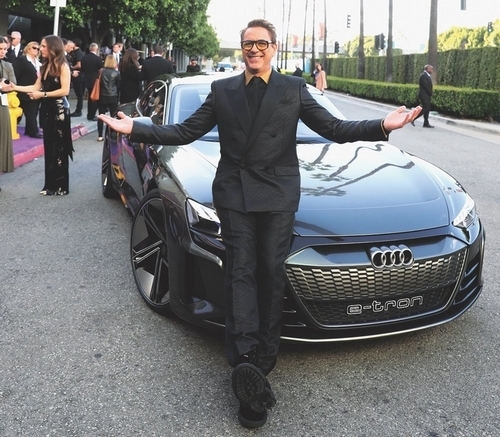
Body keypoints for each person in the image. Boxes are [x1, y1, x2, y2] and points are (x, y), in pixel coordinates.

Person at [98, 18, 421, 429]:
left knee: (270, 272)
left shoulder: (293, 89)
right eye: (248, 43)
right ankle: (245, 362)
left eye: (262, 43)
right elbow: (185, 130)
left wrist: (382, 125)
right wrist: (137, 127)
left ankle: (263, 361)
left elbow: (334, 128)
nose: (254, 49)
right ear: (242, 48)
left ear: (273, 47)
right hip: (234, 193)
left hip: (278, 196)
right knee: (240, 272)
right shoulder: (223, 90)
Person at [2, 35, 74, 196]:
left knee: (59, 147)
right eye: (40, 46)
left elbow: (64, 90)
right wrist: (14, 87)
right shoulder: (44, 66)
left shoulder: (63, 66)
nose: (40, 49)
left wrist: (42, 95)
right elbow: (35, 87)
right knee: (49, 146)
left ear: (53, 48)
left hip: (59, 110)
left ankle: (61, 186)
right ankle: (50, 185)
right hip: (47, 109)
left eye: (43, 46)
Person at [13, 41, 43, 138]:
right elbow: (15, 74)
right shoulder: (21, 60)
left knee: (34, 112)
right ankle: (33, 131)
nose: (36, 50)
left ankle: (29, 130)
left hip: (36, 90)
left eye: (38, 49)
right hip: (23, 90)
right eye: (34, 48)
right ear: (28, 48)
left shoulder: (38, 62)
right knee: (30, 112)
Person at [0, 35, 16, 174]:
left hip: (2, 104)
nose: (3, 52)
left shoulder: (7, 65)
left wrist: (5, 86)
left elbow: (13, 84)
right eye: (0, 49)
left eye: (5, 49)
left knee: (3, 136)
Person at [96, 55, 120, 141]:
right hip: (113, 96)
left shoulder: (101, 72)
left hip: (102, 96)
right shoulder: (116, 73)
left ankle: (100, 135)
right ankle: (112, 134)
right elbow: (118, 86)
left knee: (101, 115)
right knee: (113, 116)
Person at [81, 42, 103, 121]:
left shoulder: (84, 58)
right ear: (96, 49)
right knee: (94, 98)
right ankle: (92, 114)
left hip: (86, 79)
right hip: (95, 80)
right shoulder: (98, 59)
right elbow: (101, 70)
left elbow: (82, 69)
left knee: (90, 97)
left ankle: (89, 114)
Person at [412, 64, 434, 128]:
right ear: (427, 69)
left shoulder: (427, 76)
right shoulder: (423, 76)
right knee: (424, 108)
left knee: (427, 109)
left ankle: (426, 123)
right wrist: (431, 93)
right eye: (431, 69)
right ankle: (413, 118)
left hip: (427, 95)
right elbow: (426, 86)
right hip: (424, 95)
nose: (432, 70)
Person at [69, 38, 84, 117]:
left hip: (78, 75)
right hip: (78, 75)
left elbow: (79, 65)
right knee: (79, 94)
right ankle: (78, 110)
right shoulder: (76, 52)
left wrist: (71, 68)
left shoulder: (78, 53)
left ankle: (78, 110)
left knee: (79, 94)